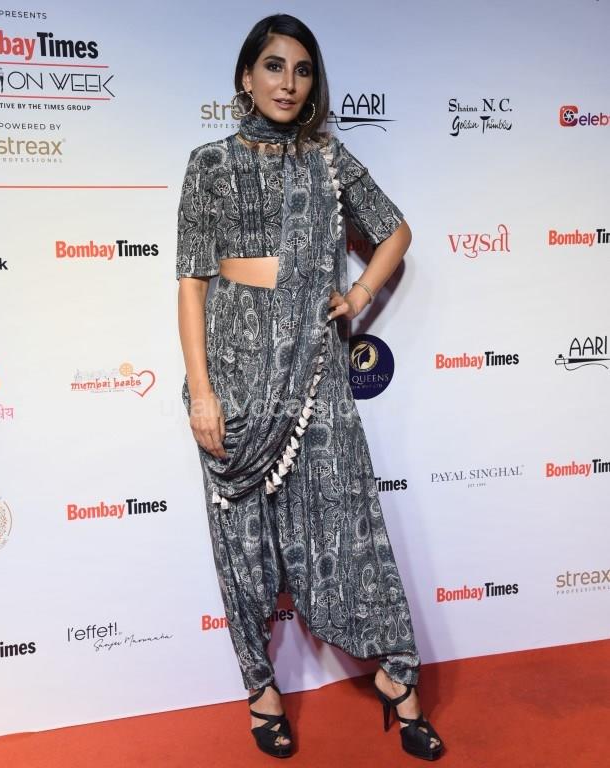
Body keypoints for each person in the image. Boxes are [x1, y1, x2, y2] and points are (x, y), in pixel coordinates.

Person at [176, 13, 444, 761]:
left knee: (350, 528)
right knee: (243, 546)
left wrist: (357, 296)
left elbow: (394, 231)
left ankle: (397, 680)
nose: (288, 83)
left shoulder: (329, 159)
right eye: (273, 66)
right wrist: (202, 392)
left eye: (301, 70)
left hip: (318, 377)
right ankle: (260, 688)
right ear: (245, 76)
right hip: (235, 382)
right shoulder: (208, 164)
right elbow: (193, 284)